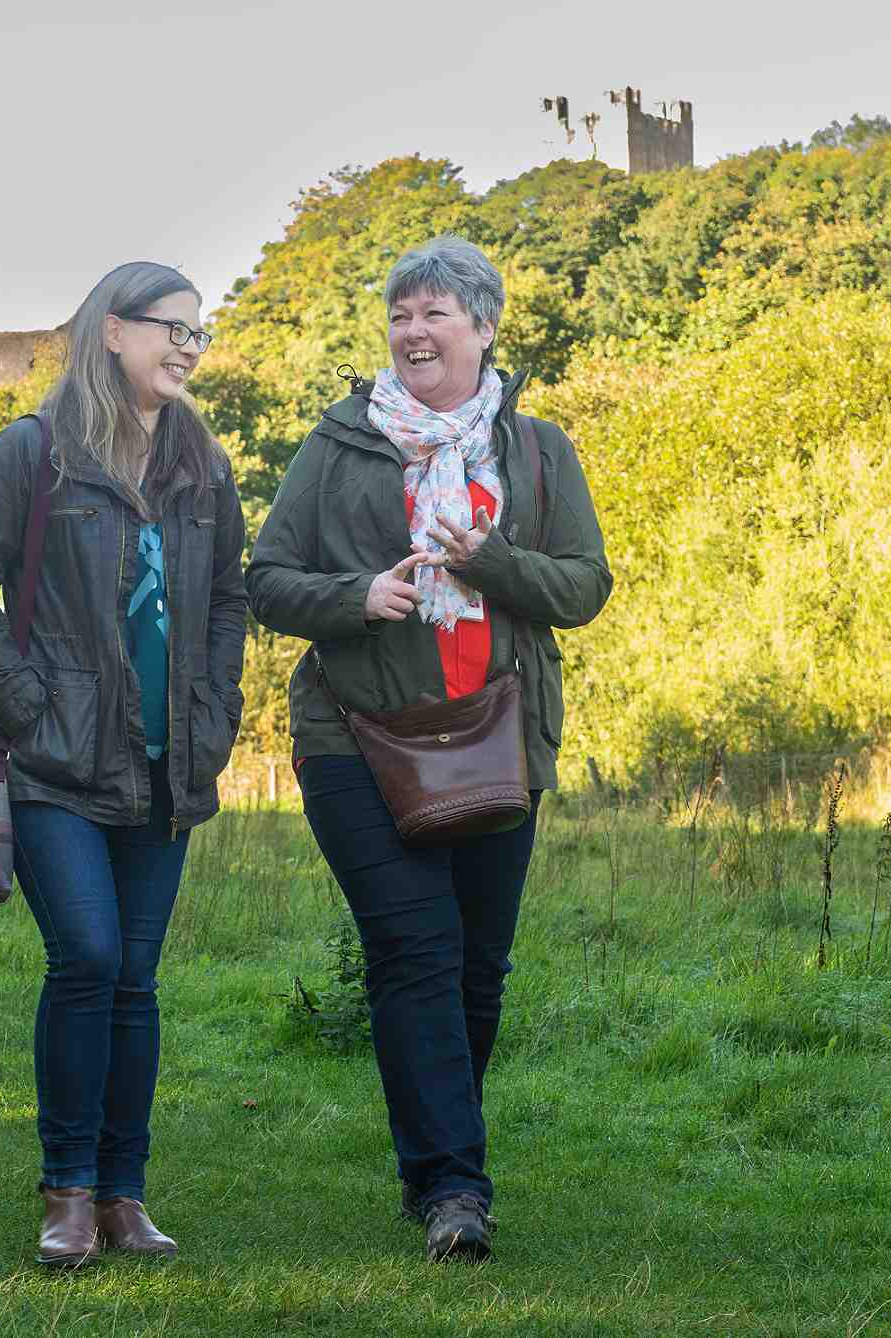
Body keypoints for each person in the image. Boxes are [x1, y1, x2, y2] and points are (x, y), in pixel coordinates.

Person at [246, 235, 611, 1263]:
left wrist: (489, 560)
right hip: (355, 740)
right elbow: (266, 578)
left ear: (484, 328)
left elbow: (584, 587)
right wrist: (354, 597)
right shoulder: (340, 445)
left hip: (499, 741)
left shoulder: (536, 450)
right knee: (416, 952)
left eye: (435, 313)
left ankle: (437, 1167)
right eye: (401, 314)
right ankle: (456, 1187)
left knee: (478, 971)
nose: (413, 331)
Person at [0, 262, 247, 1269]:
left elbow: (232, 597)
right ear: (112, 331)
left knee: (137, 983)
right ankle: (67, 1192)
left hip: (167, 769)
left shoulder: (202, 462)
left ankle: (123, 1195)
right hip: (57, 767)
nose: (189, 347)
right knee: (91, 963)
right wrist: (25, 702)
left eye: (199, 332)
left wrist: (218, 703)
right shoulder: (36, 453)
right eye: (171, 328)